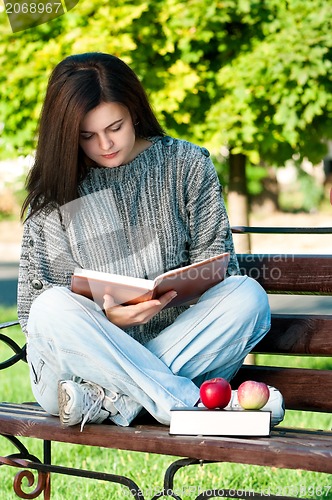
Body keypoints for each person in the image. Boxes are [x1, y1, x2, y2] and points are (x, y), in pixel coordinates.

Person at [18, 52, 283, 432]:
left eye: (116, 127)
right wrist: (109, 319)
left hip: (99, 391)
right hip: (76, 374)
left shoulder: (186, 165)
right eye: (87, 135)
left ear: (134, 111)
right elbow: (37, 318)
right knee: (51, 306)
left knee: (246, 295)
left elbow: (217, 269)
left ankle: (117, 403)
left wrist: (165, 300)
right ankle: (187, 404)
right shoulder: (57, 185)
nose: (105, 144)